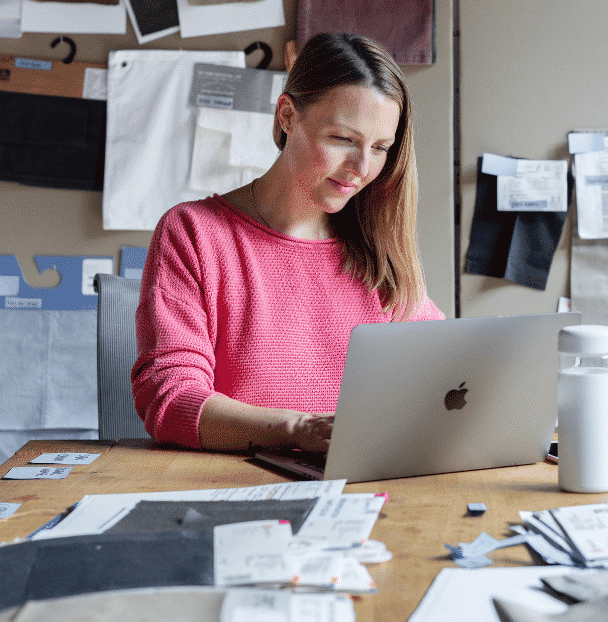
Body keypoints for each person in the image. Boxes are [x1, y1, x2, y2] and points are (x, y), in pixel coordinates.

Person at [132, 32, 443, 455]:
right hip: (234, 487)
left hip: (361, 488)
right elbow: (169, 401)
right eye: (343, 139)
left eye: (380, 148)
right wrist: (298, 429)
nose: (361, 168)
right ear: (287, 116)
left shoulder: (376, 249)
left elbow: (445, 372)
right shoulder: (194, 232)